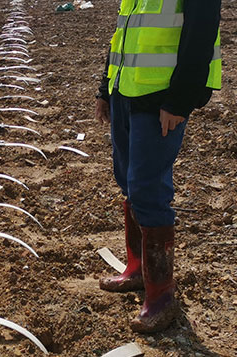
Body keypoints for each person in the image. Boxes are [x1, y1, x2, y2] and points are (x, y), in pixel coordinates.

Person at [94, 0, 221, 333]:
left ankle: (161, 296)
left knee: (148, 190)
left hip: (161, 98)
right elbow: (123, 35)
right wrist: (105, 89)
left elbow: (201, 33)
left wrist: (181, 100)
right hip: (125, 92)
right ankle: (137, 269)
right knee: (128, 182)